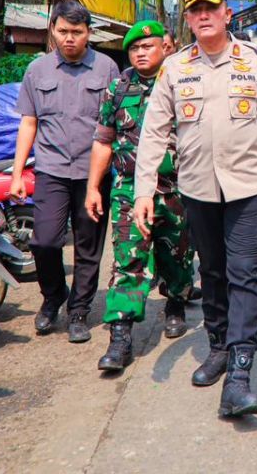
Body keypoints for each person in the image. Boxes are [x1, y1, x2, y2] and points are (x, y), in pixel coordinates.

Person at [134, 0, 257, 419]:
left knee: (243, 272)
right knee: (210, 271)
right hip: (198, 189)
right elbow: (153, 132)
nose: (204, 14)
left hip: (250, 187)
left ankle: (240, 376)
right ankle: (218, 347)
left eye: (212, 7)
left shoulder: (254, 62)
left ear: (227, 13)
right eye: (196, 10)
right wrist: (143, 190)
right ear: (188, 20)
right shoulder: (174, 68)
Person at [83, 20, 195, 372]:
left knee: (176, 255)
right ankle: (120, 335)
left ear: (166, 47)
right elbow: (103, 140)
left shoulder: (184, 82)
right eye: (134, 49)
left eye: (148, 47)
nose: (141, 53)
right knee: (128, 260)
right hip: (130, 190)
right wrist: (93, 187)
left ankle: (176, 302)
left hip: (178, 188)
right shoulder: (118, 88)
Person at [10, 1, 118, 342]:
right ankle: (53, 296)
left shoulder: (107, 68)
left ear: (88, 33)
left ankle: (79, 310)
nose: (69, 39)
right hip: (51, 171)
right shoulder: (37, 70)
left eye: (77, 32)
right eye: (63, 32)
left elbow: (116, 125)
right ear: (52, 30)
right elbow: (29, 123)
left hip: (94, 174)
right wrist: (16, 175)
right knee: (44, 241)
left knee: (89, 246)